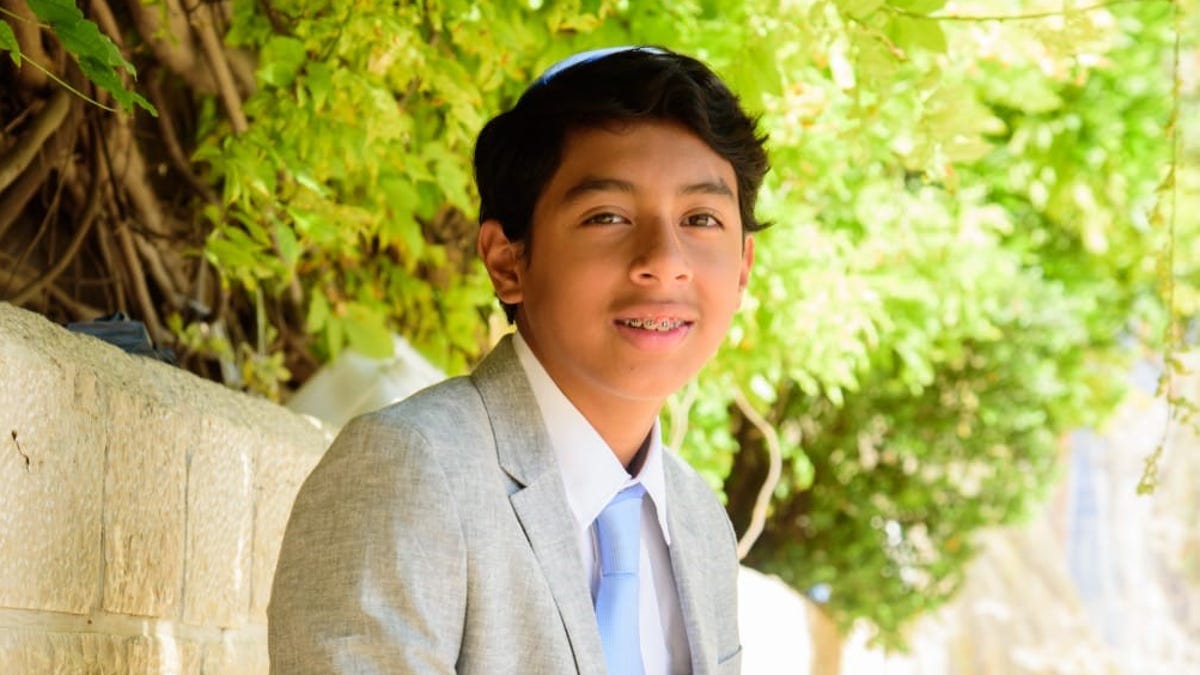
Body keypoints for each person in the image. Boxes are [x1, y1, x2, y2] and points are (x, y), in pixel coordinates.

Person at [267, 45, 771, 675]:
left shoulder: (700, 524)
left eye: (701, 218)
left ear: (744, 265)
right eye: (607, 216)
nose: (663, 259)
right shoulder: (413, 471)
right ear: (508, 260)